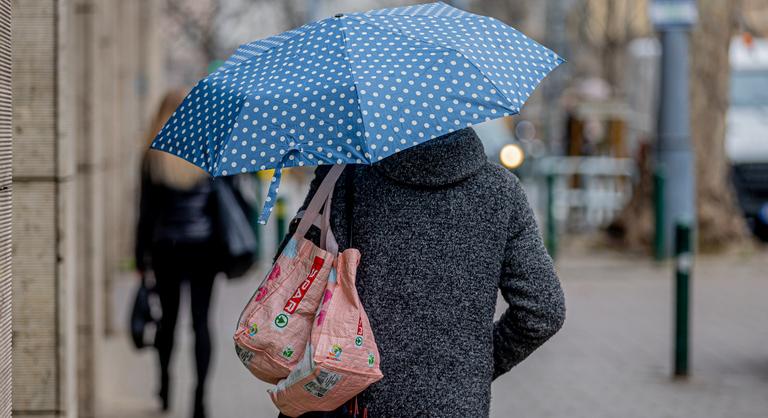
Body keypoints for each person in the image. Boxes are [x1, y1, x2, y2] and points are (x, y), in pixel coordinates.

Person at [278, 127, 565, 418]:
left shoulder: (343, 177)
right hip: (457, 404)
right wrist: (476, 366)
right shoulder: (502, 191)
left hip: (351, 394)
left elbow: (290, 273)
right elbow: (543, 310)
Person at [136, 90, 217, 418]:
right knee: (201, 323)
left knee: (167, 322)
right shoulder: (207, 150)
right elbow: (215, 205)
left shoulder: (153, 154)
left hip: (166, 249)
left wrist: (140, 258)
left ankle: (165, 387)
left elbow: (146, 213)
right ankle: (199, 400)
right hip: (204, 249)